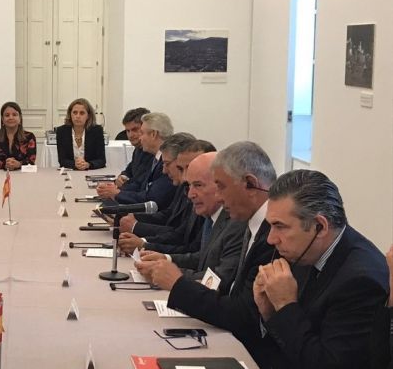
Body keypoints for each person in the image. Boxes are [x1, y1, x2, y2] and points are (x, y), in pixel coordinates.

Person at [136, 141, 277, 365]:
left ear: (250, 184)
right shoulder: (250, 222)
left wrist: (178, 283)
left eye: (221, 186)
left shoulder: (269, 232)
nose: (219, 197)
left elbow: (243, 313)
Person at [252, 169, 388, 368]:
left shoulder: (361, 281)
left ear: (320, 227)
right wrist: (270, 313)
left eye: (280, 226)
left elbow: (327, 364)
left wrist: (285, 306)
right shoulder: (306, 252)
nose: (271, 239)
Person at [135, 152, 246, 294]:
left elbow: (219, 280)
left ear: (220, 186)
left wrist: (172, 277)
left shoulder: (236, 223)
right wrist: (166, 259)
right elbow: (202, 258)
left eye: (198, 185)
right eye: (190, 186)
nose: (190, 194)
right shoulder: (213, 216)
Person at [96, 108, 153, 199]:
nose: (130, 135)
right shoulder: (138, 149)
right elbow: (130, 169)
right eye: (128, 131)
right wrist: (123, 176)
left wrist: (117, 191)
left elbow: (140, 184)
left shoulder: (152, 153)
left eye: (135, 129)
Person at [55, 98, 106, 170]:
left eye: (82, 113)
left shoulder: (97, 131)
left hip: (90, 172)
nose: (78, 116)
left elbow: (102, 160)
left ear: (88, 116)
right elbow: (62, 160)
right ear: (70, 114)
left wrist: (88, 165)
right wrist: (74, 164)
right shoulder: (62, 131)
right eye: (75, 112)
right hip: (71, 171)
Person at [0, 101, 37, 170]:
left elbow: (31, 161)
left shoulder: (29, 136)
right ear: (2, 119)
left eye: (14, 115)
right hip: (0, 174)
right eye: (7, 115)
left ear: (20, 118)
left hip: (22, 174)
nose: (11, 117)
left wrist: (18, 164)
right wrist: (5, 165)